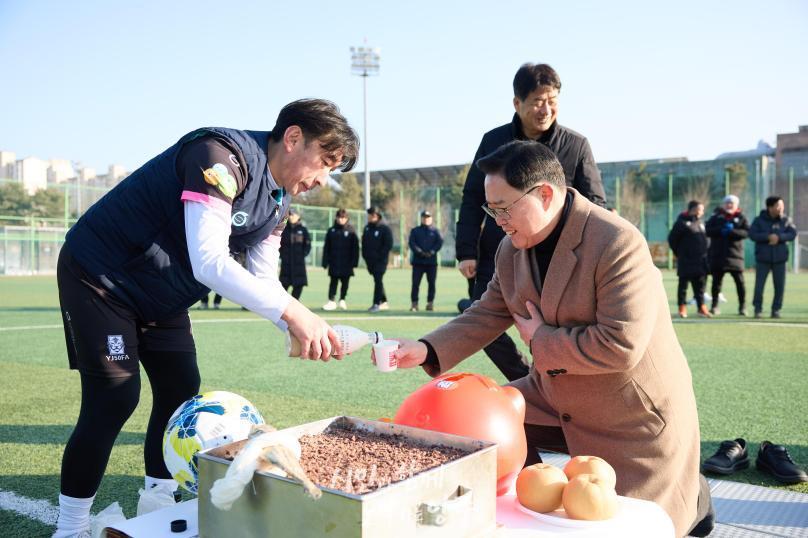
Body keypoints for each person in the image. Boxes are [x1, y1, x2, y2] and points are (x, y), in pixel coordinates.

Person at [53, 98, 359, 538]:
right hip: (103, 277)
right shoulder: (219, 157)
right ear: (293, 138)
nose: (324, 179)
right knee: (115, 396)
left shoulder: (279, 197)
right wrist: (294, 313)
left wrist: (292, 324)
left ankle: (157, 499)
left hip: (162, 293)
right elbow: (210, 262)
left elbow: (263, 279)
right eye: (326, 162)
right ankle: (69, 527)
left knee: (180, 388)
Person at [390, 141, 712, 538]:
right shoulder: (512, 248)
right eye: (492, 209)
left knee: (624, 521)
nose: (497, 221)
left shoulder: (616, 241)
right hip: (552, 394)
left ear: (545, 194)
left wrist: (541, 338)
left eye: (504, 208)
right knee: (479, 429)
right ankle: (525, 502)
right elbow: (490, 310)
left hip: (630, 412)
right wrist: (426, 348)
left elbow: (621, 343)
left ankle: (696, 500)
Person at [455, 62, 607, 382]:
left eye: (552, 100)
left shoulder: (576, 145)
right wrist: (466, 250)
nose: (546, 108)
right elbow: (472, 198)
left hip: (559, 257)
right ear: (517, 103)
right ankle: (525, 376)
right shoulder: (493, 141)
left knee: (556, 325)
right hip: (501, 249)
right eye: (537, 101)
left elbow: (595, 202)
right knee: (480, 316)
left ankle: (556, 384)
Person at [749, 196, 797, 318]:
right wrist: (768, 237)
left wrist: (779, 237)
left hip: (780, 259)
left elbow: (792, 233)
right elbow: (752, 234)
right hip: (763, 259)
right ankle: (757, 309)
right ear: (770, 207)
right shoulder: (759, 220)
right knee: (759, 286)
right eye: (778, 205)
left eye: (782, 205)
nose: (781, 208)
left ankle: (776, 309)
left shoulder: (786, 220)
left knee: (779, 286)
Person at [705, 194, 750, 316]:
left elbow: (746, 232)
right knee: (716, 283)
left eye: (732, 203)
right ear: (724, 204)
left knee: (740, 283)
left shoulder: (741, 217)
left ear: (736, 205)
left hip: (735, 256)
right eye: (727, 203)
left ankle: (742, 307)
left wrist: (732, 231)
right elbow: (707, 230)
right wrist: (720, 230)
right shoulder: (716, 217)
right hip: (718, 255)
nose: (729, 205)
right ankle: (714, 306)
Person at [668, 200, 710, 318]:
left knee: (700, 286)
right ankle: (682, 308)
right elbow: (672, 239)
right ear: (693, 209)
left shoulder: (701, 223)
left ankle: (701, 307)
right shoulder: (681, 222)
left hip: (700, 261)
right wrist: (680, 253)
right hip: (686, 260)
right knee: (683, 285)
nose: (702, 211)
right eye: (700, 209)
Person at [322, 209, 359, 311]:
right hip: (334, 262)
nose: (341, 219)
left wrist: (354, 262)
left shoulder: (351, 231)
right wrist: (325, 262)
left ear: (346, 218)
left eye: (343, 218)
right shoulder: (331, 231)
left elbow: (355, 248)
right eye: (339, 217)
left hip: (347, 263)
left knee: (345, 282)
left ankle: (342, 300)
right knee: (333, 282)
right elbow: (326, 248)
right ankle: (331, 301)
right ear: (336, 218)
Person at [408, 210, 443, 311]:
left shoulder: (436, 231)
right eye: (424, 217)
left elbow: (439, 243)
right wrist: (420, 252)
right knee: (415, 283)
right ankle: (414, 304)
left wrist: (431, 252)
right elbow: (412, 243)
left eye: (428, 217)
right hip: (418, 262)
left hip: (431, 263)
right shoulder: (415, 230)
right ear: (421, 218)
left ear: (431, 218)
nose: (426, 219)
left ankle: (430, 303)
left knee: (431, 283)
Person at [361, 206, 393, 312]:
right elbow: (364, 244)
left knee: (378, 280)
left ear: (378, 216)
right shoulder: (367, 228)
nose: (370, 217)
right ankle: (384, 301)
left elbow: (388, 245)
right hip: (370, 261)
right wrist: (366, 257)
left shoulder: (384, 229)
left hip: (380, 261)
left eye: (373, 215)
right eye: (369, 215)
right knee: (377, 280)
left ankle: (376, 303)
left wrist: (380, 257)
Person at [279, 208, 311, 300]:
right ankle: (283, 306)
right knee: (283, 285)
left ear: (298, 216)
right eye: (290, 214)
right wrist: (282, 255)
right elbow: (278, 244)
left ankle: (294, 303)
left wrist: (302, 255)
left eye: (293, 215)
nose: (291, 216)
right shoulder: (283, 229)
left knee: (299, 285)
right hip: (286, 263)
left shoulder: (303, 230)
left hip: (299, 264)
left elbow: (308, 245)